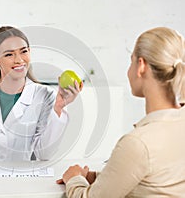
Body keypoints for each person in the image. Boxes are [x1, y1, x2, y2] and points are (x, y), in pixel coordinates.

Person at [57, 27, 185, 197]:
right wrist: (94, 177)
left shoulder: (138, 143)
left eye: (131, 61)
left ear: (141, 66)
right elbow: (149, 178)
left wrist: (74, 178)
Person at [0, 26, 83, 162]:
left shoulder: (47, 96)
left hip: (24, 179)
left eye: (23, 52)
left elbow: (44, 155)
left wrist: (58, 108)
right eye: (9, 54)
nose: (19, 60)